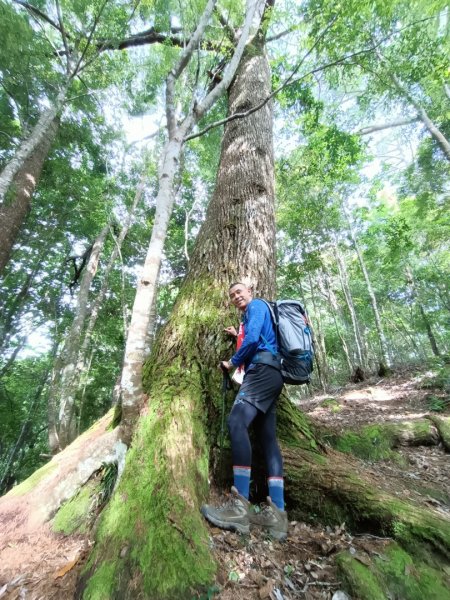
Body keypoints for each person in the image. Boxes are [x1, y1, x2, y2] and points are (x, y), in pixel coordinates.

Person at [201, 282, 288, 540]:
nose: (236, 296)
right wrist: (235, 334)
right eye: (232, 295)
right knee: (267, 439)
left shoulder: (257, 305)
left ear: (250, 291)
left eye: (240, 292)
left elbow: (252, 340)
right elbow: (252, 337)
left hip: (261, 372)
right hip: (273, 374)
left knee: (237, 422)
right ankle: (278, 516)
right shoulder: (252, 315)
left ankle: (239, 507)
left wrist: (232, 362)